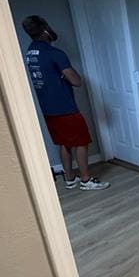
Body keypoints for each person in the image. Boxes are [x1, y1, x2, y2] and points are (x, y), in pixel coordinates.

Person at [22, 15, 110, 191]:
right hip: (65, 107)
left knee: (64, 143)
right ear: (46, 31)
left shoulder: (30, 53)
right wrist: (66, 74)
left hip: (48, 108)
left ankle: (70, 178)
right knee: (81, 142)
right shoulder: (55, 53)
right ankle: (86, 180)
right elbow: (76, 81)